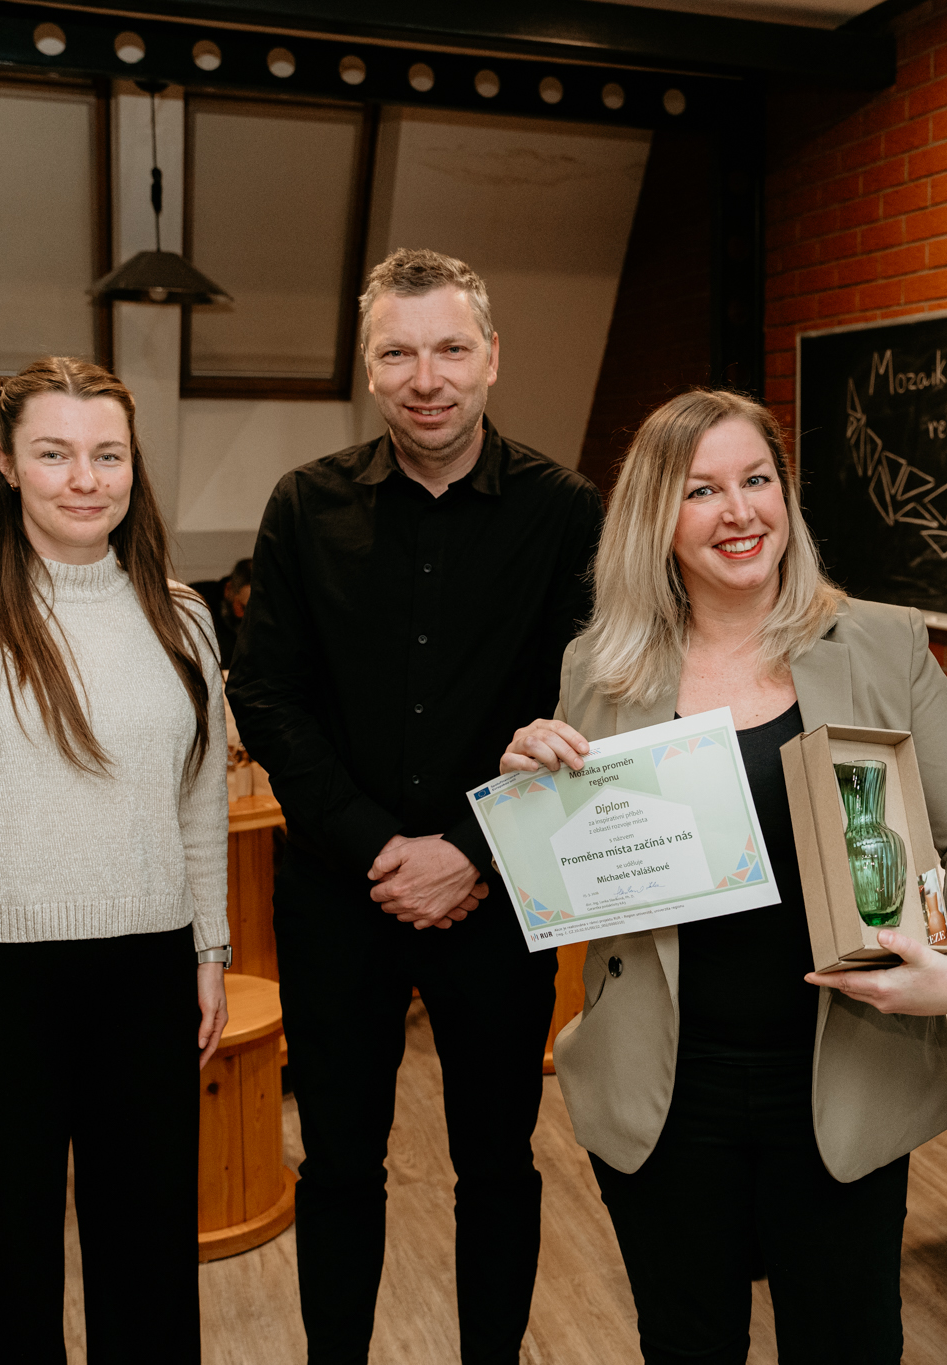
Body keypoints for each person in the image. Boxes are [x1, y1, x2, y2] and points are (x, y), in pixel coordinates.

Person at [500, 388, 947, 1365]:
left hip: (842, 1079)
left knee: (846, 1345)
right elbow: (584, 872)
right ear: (655, 518)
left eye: (756, 479)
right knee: (686, 1345)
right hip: (664, 1090)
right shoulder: (598, 668)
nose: (739, 511)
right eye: (701, 490)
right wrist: (534, 795)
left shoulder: (880, 643)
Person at [227, 248, 603, 1364]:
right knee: (339, 1164)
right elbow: (266, 693)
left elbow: (585, 703)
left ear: (491, 358)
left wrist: (470, 852)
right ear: (368, 364)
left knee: (497, 1163)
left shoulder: (565, 512)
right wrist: (379, 847)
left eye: (449, 349)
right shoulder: (304, 505)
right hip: (338, 895)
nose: (425, 377)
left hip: (502, 894)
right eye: (398, 352)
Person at [0, 357, 231, 1364]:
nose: (85, 479)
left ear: (133, 465)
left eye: (108, 454)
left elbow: (198, 801)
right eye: (55, 454)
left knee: (150, 1266)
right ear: (5, 463)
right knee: (4, 1271)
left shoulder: (182, 616)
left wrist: (209, 951)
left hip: (148, 973)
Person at [190, 556, 253, 666]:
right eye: (242, 606)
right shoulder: (196, 600)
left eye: (251, 610)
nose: (242, 615)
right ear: (228, 588)